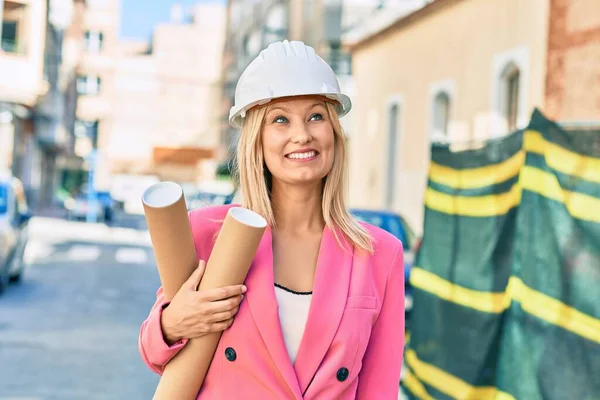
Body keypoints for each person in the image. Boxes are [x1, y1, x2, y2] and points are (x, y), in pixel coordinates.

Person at [139, 40, 405, 399]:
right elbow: (154, 353)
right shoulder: (208, 233)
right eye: (280, 119)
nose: (302, 134)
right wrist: (172, 324)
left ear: (335, 134)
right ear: (257, 141)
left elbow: (380, 389)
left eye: (316, 116)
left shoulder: (379, 254)